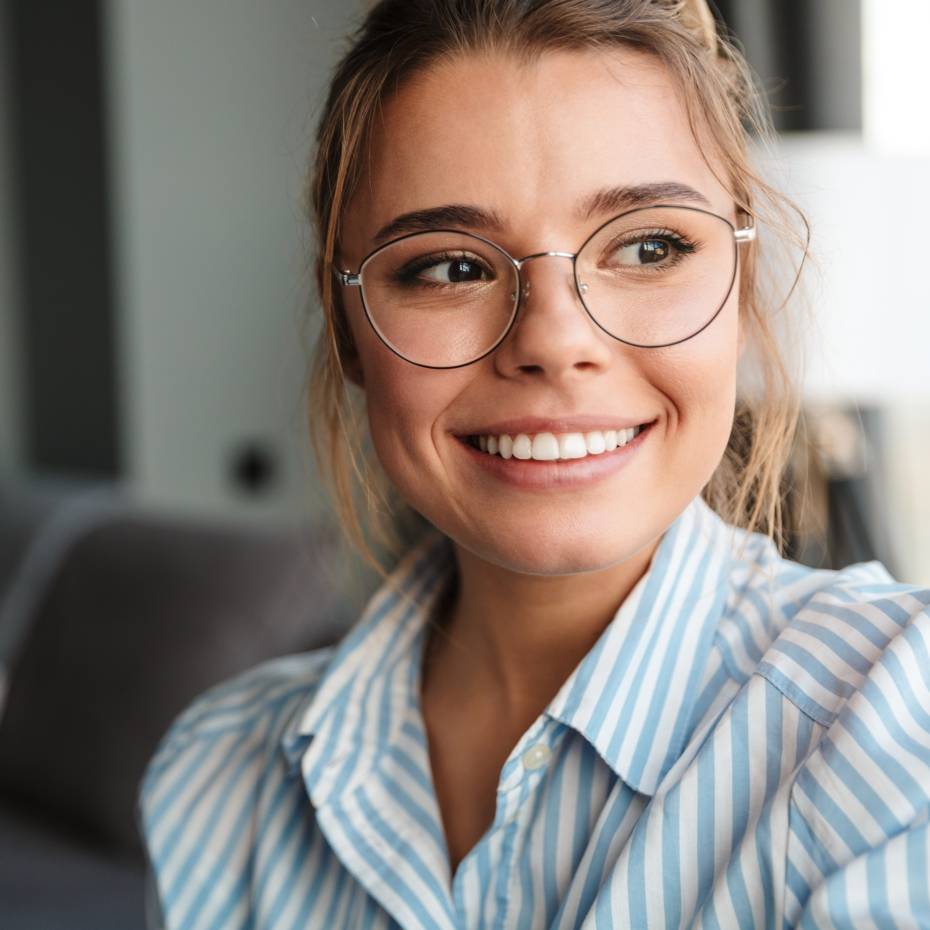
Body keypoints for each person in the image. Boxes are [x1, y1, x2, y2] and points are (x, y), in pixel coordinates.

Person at [137, 1, 930, 927]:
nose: (555, 343)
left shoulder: (891, 729)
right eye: (450, 267)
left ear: (741, 286)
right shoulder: (215, 782)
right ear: (348, 324)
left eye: (649, 246)